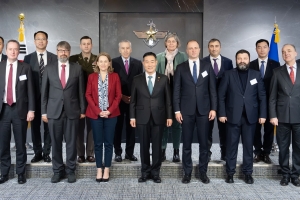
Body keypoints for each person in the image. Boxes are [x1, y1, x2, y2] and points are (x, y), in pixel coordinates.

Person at [218, 49, 266, 184]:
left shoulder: (256, 75)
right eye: (239, 58)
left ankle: (248, 173)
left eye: (245, 58)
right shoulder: (228, 74)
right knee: (231, 146)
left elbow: (262, 96)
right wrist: (221, 113)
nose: (242, 61)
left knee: (248, 147)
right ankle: (230, 173)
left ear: (249, 60)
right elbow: (221, 96)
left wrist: (263, 114)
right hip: (232, 116)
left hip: (251, 117)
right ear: (236, 60)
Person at [41, 41, 86, 183]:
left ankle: (71, 170)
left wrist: (83, 110)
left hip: (72, 111)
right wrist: (43, 112)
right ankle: (57, 171)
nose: (63, 53)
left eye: (66, 50)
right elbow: (44, 93)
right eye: (60, 50)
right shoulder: (49, 68)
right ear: (56, 51)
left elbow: (81, 91)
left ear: (69, 52)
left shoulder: (77, 68)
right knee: (56, 143)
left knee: (72, 143)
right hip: (53, 112)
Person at [173, 40, 217, 184]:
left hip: (204, 110)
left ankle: (203, 172)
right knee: (186, 144)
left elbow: (212, 89)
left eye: (195, 48)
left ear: (199, 50)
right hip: (186, 111)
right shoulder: (180, 68)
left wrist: (213, 108)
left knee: (204, 144)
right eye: (190, 48)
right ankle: (187, 173)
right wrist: (177, 110)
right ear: (187, 50)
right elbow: (176, 91)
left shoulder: (207, 66)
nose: (193, 50)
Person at [130, 52, 172, 183]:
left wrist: (169, 116)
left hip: (159, 116)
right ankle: (145, 172)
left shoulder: (164, 78)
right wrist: (132, 117)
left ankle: (155, 173)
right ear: (143, 63)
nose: (149, 64)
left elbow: (168, 100)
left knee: (157, 146)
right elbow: (133, 101)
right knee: (143, 146)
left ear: (156, 62)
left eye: (152, 61)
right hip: (141, 117)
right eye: (146, 61)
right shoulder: (137, 79)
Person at [0, 40, 35, 184]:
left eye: (15, 49)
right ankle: (4, 173)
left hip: (20, 110)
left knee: (21, 143)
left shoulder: (25, 67)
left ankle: (21, 173)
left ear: (18, 51)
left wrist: (31, 109)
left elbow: (31, 91)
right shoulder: (0, 66)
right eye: (10, 49)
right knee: (3, 144)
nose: (13, 51)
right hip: (3, 110)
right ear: (6, 50)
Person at [86, 52, 121, 182]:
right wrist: (98, 111)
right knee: (98, 143)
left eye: (106, 61)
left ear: (109, 63)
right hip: (96, 114)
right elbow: (88, 95)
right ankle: (98, 168)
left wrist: (109, 111)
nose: (103, 64)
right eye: (101, 61)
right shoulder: (91, 77)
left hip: (111, 115)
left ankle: (107, 168)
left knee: (108, 143)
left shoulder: (115, 76)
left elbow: (118, 96)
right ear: (97, 63)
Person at [24, 31, 57, 163]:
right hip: (34, 99)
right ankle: (37, 152)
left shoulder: (54, 58)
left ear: (47, 41)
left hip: (50, 99)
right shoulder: (28, 58)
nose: (41, 41)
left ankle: (46, 152)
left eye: (43, 39)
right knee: (35, 127)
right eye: (38, 39)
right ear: (34, 41)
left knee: (49, 127)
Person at [269, 44, 300, 187]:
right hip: (281, 117)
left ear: (295, 53)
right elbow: (272, 97)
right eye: (283, 52)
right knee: (283, 147)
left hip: (299, 115)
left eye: (289, 51)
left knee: (298, 147)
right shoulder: (277, 72)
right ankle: (285, 174)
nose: (286, 53)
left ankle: (296, 174)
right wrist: (273, 115)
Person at [156, 33, 187, 162]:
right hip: (162, 93)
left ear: (177, 43)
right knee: (163, 124)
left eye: (173, 41)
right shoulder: (159, 57)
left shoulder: (183, 56)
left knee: (177, 124)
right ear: (165, 43)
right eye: (169, 41)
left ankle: (176, 152)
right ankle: (162, 151)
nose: (171, 44)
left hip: (178, 93)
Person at [249, 39, 280, 164]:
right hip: (253, 103)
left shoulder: (276, 65)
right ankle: (257, 152)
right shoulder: (250, 65)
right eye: (259, 47)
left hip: (270, 103)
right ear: (256, 49)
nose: (262, 50)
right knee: (255, 130)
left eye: (264, 47)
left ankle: (266, 153)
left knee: (268, 129)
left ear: (268, 49)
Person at [202, 38, 233, 161]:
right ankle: (207, 152)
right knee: (207, 129)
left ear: (220, 47)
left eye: (216, 46)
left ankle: (224, 152)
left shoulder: (228, 62)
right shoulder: (202, 61)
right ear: (208, 47)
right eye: (211, 46)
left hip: (224, 102)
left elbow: (231, 81)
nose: (214, 48)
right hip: (207, 101)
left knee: (224, 129)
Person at [112, 40, 143, 162]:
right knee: (117, 127)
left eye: (127, 48)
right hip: (118, 101)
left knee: (131, 128)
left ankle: (129, 153)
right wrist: (121, 96)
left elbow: (140, 82)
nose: (125, 50)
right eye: (123, 48)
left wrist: (133, 98)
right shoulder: (113, 62)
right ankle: (118, 152)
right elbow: (112, 83)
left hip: (132, 101)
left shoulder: (138, 63)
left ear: (131, 49)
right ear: (119, 50)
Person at [69, 36, 97, 163]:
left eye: (88, 44)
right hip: (76, 97)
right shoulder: (73, 59)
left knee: (91, 127)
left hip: (93, 98)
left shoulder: (98, 59)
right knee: (79, 127)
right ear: (80, 46)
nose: (86, 46)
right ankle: (80, 154)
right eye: (84, 44)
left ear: (91, 45)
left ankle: (90, 153)